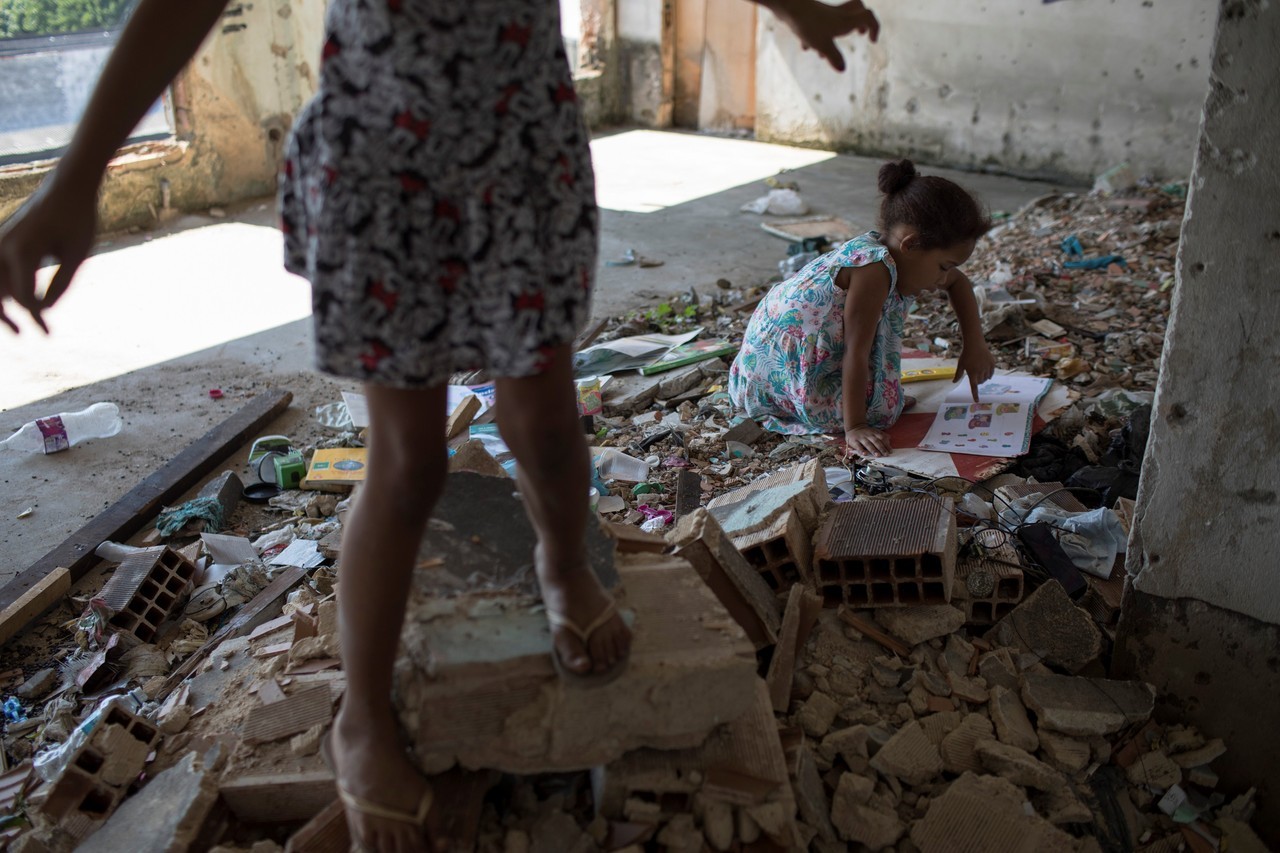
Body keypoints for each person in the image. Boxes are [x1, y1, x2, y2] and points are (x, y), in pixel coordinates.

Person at [0, 1, 880, 849]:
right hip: (386, 177)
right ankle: (365, 719)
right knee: (408, 461)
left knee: (543, 420)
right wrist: (78, 172)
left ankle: (564, 565)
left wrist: (795, 7)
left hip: (521, 167)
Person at [728, 159, 997, 459]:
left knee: (884, 401)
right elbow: (855, 352)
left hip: (789, 357)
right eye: (943, 266)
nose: (943, 279)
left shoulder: (894, 254)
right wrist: (855, 426)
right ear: (911, 244)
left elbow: (959, 283)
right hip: (777, 371)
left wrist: (975, 345)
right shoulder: (873, 269)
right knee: (879, 411)